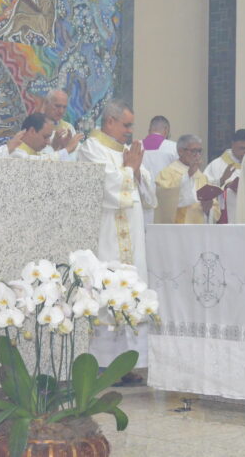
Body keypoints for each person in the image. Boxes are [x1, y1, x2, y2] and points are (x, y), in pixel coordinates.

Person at [76, 100, 156, 376]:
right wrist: (129, 171)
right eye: (126, 125)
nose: (130, 131)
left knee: (132, 290)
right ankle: (103, 364)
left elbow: (146, 187)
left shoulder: (125, 151)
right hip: (107, 231)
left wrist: (135, 171)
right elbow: (105, 184)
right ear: (109, 122)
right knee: (107, 291)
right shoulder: (90, 149)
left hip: (131, 234)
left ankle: (131, 364)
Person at [155, 135, 210, 224]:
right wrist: (189, 175)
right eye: (193, 151)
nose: (197, 155)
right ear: (180, 151)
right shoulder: (167, 173)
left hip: (199, 227)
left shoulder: (202, 177)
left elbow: (213, 208)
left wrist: (208, 208)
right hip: (177, 227)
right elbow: (165, 200)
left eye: (199, 151)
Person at [203, 129, 245, 224]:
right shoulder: (216, 165)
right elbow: (204, 189)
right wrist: (223, 183)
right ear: (232, 144)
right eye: (242, 148)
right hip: (226, 217)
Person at [0, 113, 77, 160]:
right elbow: (38, 162)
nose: (48, 142)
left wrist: (59, 148)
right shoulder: (14, 151)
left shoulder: (37, 152)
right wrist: (67, 150)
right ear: (32, 131)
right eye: (45, 137)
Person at [39, 89, 80, 156]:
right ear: (46, 103)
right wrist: (53, 146)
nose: (61, 111)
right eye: (57, 106)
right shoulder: (35, 125)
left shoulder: (68, 128)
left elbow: (75, 155)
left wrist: (66, 147)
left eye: (64, 107)